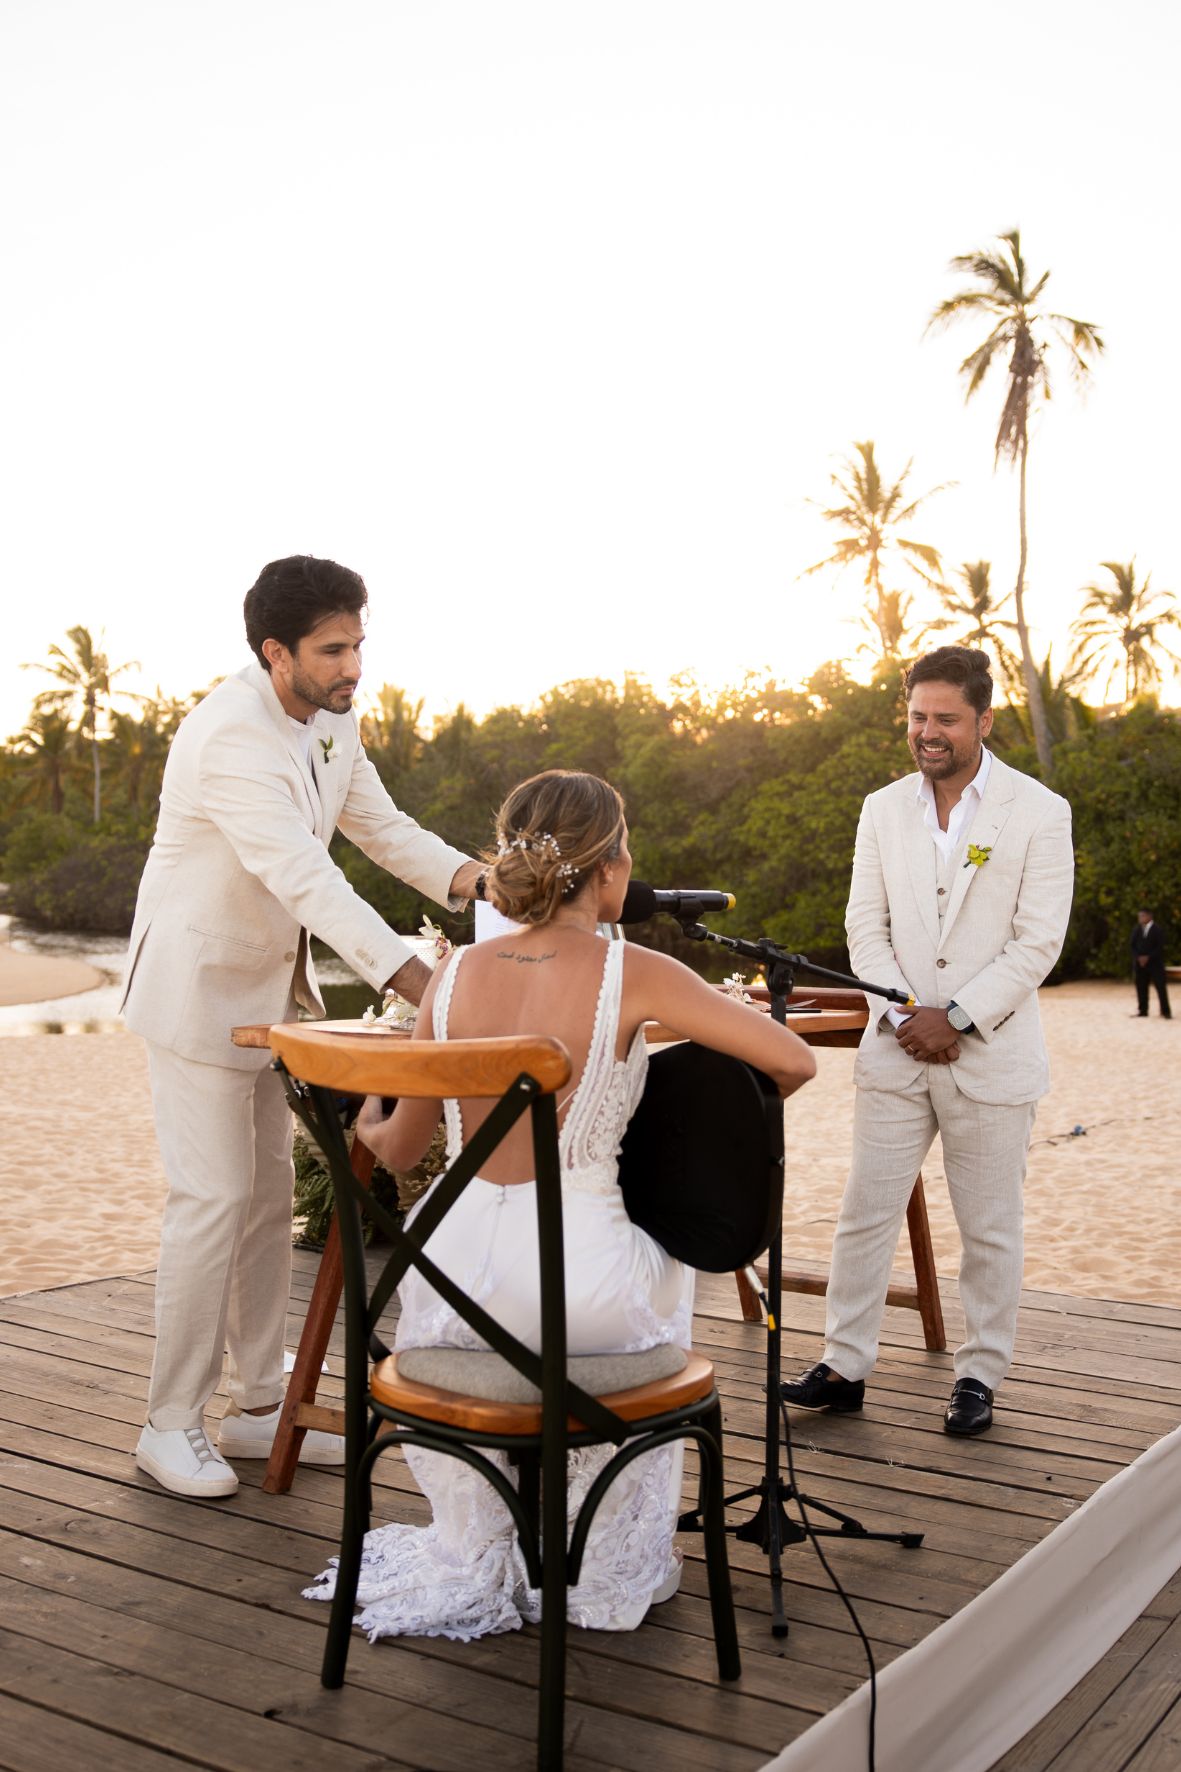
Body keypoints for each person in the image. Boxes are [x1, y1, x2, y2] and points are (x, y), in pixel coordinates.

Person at [308, 768, 816, 1638]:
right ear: (612, 871)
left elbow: (395, 1151)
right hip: (583, 1290)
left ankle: (488, 1541)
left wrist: (369, 1106)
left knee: (575, 1267)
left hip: (450, 1295)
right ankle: (597, 1552)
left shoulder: (452, 977)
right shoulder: (642, 973)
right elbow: (793, 1062)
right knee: (663, 1268)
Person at [122, 555, 482, 1500]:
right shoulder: (226, 737)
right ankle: (167, 1425)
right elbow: (304, 877)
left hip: (268, 998)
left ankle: (253, 1409)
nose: (353, 665)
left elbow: (384, 829)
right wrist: (421, 979)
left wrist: (479, 882)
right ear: (275, 652)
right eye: (333, 649)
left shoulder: (333, 719)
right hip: (195, 987)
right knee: (209, 1200)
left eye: (358, 643)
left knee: (267, 1200)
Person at [782, 646, 1074, 1437]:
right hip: (895, 1047)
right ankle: (844, 1365)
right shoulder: (881, 808)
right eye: (917, 717)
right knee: (863, 1213)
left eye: (944, 719)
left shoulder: (1040, 811)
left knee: (987, 1226)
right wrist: (906, 1012)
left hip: (992, 1056)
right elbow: (862, 926)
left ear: (982, 720)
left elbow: (1037, 942)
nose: (928, 733)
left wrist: (960, 1017)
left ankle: (979, 1376)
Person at [1131, 909, 1172, 1019]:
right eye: (1139, 916)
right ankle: (1143, 1010)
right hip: (1140, 964)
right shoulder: (1137, 929)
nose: (1140, 918)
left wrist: (1148, 957)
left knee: (1160, 987)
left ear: (1149, 916)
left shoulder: (1157, 930)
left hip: (1155, 964)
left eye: (1143, 916)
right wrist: (1138, 957)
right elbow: (1132, 945)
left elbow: (1160, 947)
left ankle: (1165, 1011)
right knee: (1141, 987)